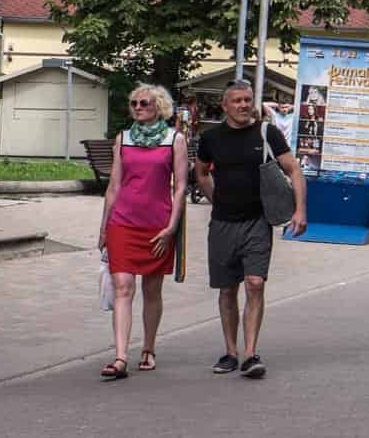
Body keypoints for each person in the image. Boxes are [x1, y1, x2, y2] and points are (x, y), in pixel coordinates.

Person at [194, 80, 307, 378]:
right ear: (225, 105)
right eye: (237, 101)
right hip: (222, 223)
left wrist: (300, 210)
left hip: (257, 222)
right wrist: (216, 199)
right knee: (227, 288)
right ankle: (230, 352)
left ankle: (250, 354)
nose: (244, 105)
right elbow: (202, 172)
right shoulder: (211, 138)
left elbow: (293, 169)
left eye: (248, 100)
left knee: (255, 283)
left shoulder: (267, 133)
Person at [97, 84, 189, 381]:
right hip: (122, 223)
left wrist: (171, 227)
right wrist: (103, 227)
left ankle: (148, 348)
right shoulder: (123, 139)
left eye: (144, 103)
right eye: (134, 103)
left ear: (158, 107)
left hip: (157, 226)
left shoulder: (174, 139)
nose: (137, 107)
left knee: (152, 289)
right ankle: (120, 356)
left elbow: (181, 187)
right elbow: (114, 186)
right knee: (123, 287)